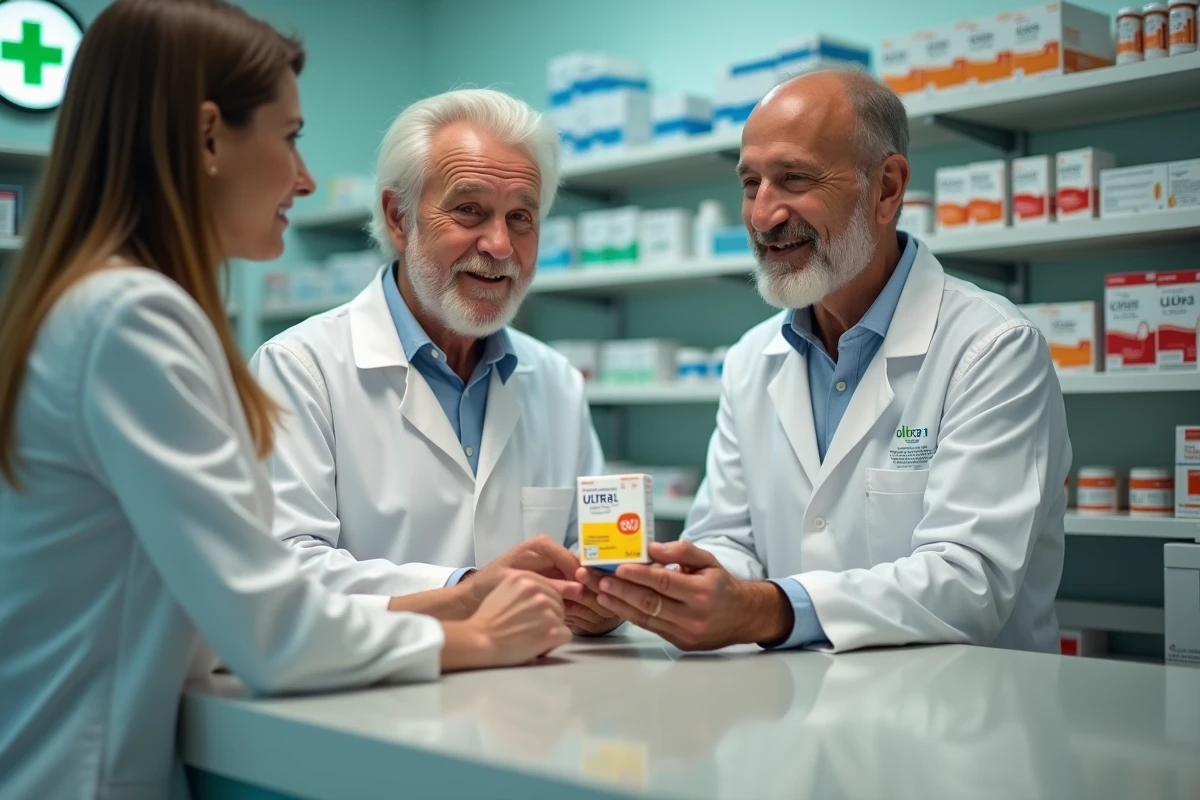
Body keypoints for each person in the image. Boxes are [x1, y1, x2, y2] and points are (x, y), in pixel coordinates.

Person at [0, 3, 572, 797]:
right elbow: (267, 625)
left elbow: (223, 608)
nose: (303, 177)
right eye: (291, 135)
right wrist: (476, 631)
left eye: (524, 218)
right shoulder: (133, 318)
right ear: (208, 138)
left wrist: (481, 595)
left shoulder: (95, 303)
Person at [582, 69, 1071, 654]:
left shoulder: (992, 347)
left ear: (887, 188)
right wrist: (674, 581)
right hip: (798, 708)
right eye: (750, 183)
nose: (763, 216)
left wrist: (768, 609)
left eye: (793, 179)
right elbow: (729, 537)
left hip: (958, 718)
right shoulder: (751, 360)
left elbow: (971, 580)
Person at [250, 88, 621, 636]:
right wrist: (465, 593)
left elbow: (593, 549)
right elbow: (285, 571)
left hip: (535, 698)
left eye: (522, 217)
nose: (499, 244)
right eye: (469, 210)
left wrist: (608, 596)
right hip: (370, 696)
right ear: (398, 218)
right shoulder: (300, 369)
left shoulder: (557, 383)